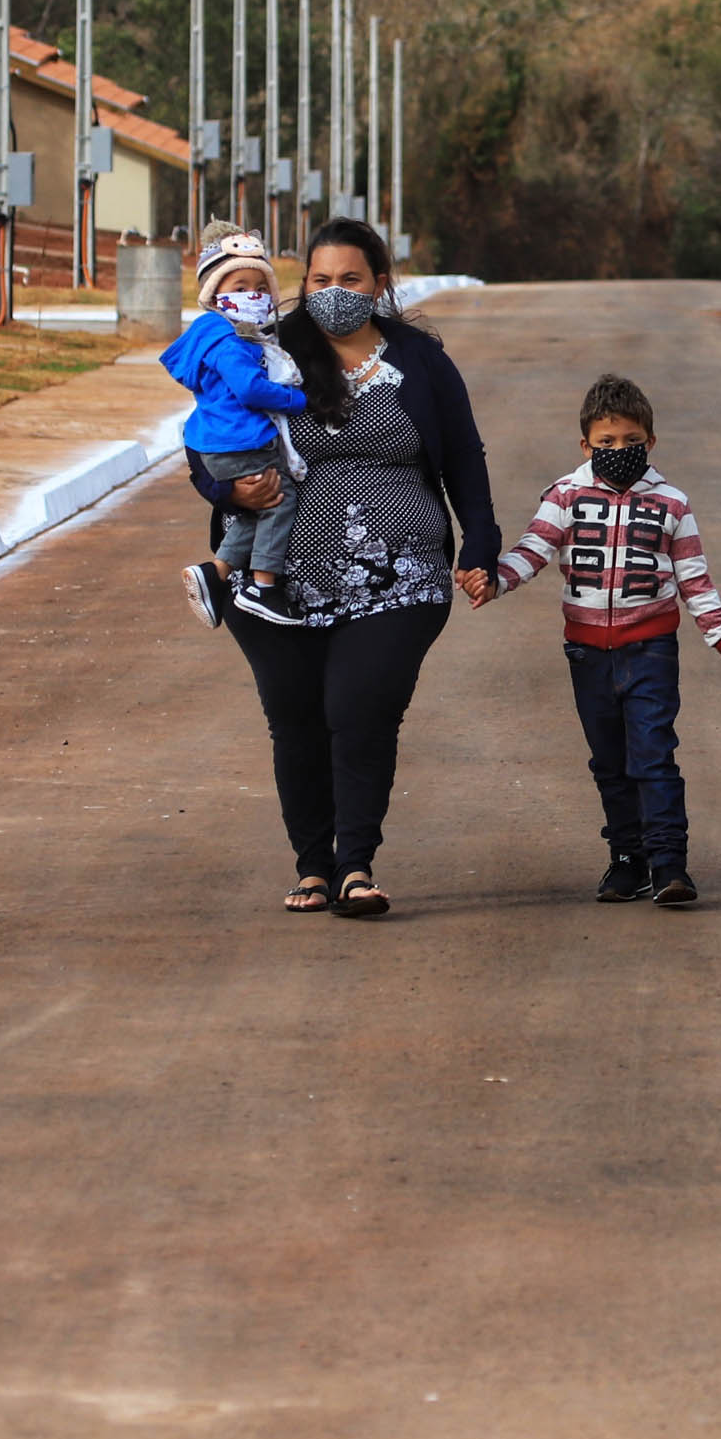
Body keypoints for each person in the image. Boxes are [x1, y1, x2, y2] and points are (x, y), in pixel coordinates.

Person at [189, 219, 498, 918]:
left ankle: (356, 865)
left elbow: (464, 458)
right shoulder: (265, 353)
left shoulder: (419, 362)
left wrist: (480, 543)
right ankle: (313, 868)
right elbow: (206, 439)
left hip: (401, 575)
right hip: (276, 580)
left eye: (351, 279)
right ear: (302, 286)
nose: (334, 293)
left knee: (359, 710)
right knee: (296, 720)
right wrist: (226, 490)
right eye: (320, 280)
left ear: (379, 285)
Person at [465, 372, 721, 910]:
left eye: (630, 442)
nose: (619, 451)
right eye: (606, 443)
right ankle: (627, 859)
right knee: (610, 761)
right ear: (585, 445)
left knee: (654, 755)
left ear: (650, 442)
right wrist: (495, 580)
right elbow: (534, 549)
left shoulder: (672, 504)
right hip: (587, 652)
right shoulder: (566, 495)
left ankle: (669, 864)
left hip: (652, 650)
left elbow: (695, 581)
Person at [163, 222, 309, 627]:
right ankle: (264, 586)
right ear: (216, 295)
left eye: (260, 287)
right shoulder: (230, 343)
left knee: (252, 513)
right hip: (241, 443)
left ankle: (216, 574)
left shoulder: (216, 337)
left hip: (218, 445)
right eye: (240, 287)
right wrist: (296, 399)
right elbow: (249, 390)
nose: (252, 296)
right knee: (280, 501)